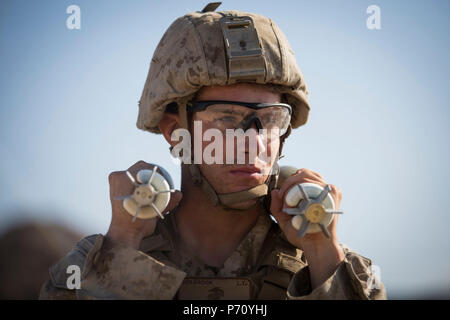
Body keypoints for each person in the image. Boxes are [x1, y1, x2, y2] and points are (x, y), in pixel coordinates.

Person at [39, 3, 386, 300]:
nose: (252, 141)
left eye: (269, 119)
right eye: (226, 118)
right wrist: (124, 243)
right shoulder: (97, 264)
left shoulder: (329, 266)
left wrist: (322, 253)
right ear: (176, 132)